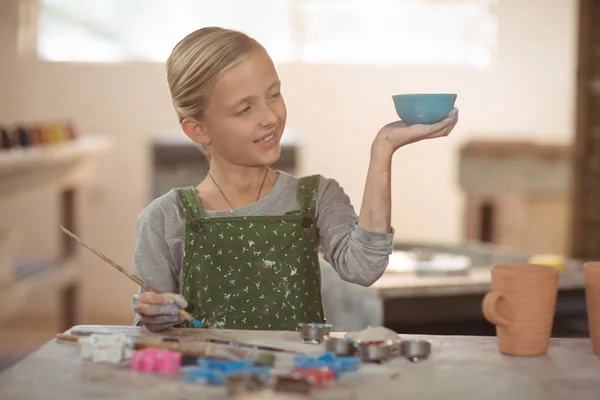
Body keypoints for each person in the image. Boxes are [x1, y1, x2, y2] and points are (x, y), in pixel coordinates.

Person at [132, 27, 458, 332]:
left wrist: (383, 150)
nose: (271, 118)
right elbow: (150, 333)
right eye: (245, 109)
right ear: (198, 129)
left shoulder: (316, 196)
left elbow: (364, 267)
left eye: (274, 95)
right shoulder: (162, 219)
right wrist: (152, 315)